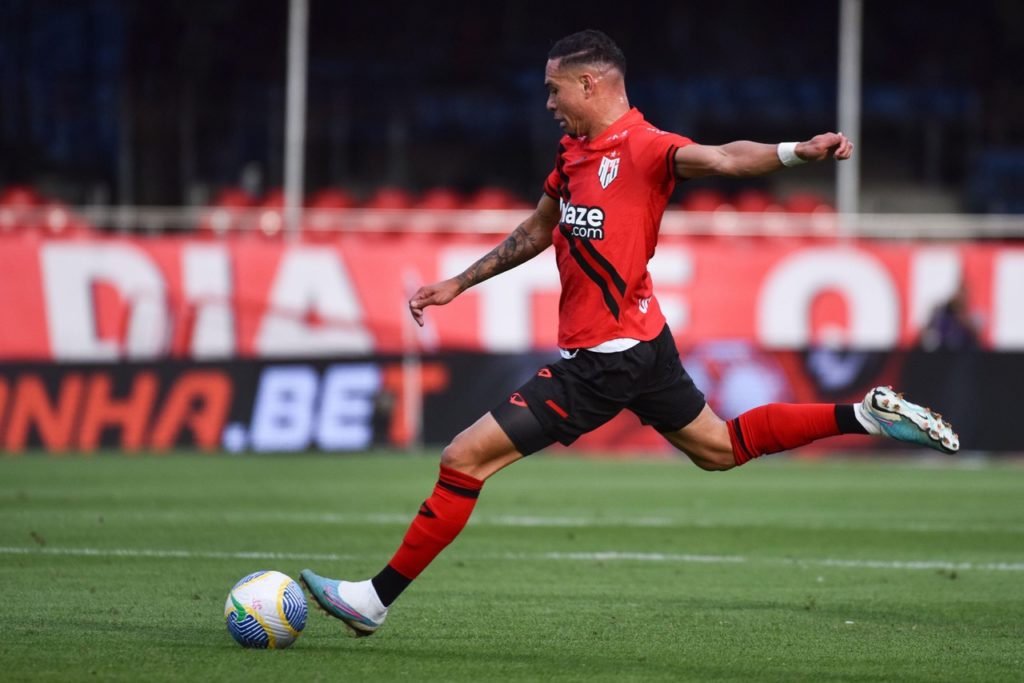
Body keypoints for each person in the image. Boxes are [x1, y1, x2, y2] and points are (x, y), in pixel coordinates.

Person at [300, 29, 959, 636]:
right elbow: (538, 227)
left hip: (605, 362)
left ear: (592, 84)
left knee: (462, 459)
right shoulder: (572, 155)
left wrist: (797, 152)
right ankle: (863, 415)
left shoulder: (646, 148)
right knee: (718, 448)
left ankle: (372, 600)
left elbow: (726, 159)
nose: (549, 102)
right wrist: (459, 283)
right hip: (646, 343)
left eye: (556, 88)